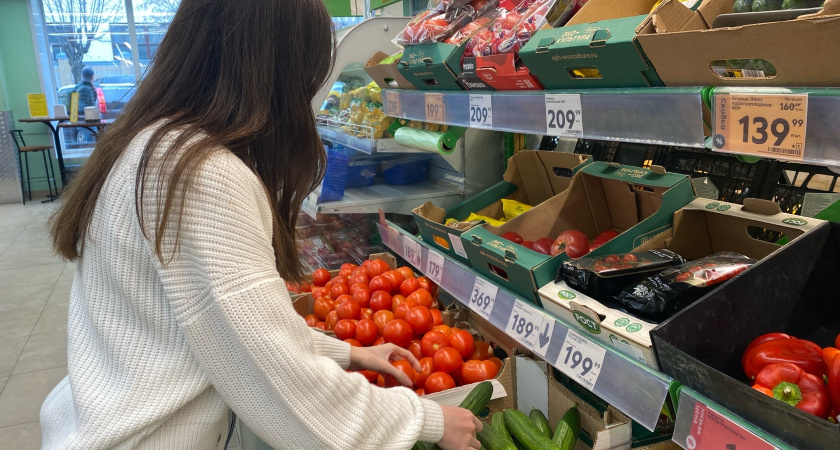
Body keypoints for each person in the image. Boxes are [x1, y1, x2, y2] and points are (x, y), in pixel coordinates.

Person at [41, 1, 481, 449]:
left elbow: (231, 332)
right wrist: (426, 420)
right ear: (277, 71)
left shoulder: (152, 144)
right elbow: (272, 376)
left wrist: (349, 352)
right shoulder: (201, 175)